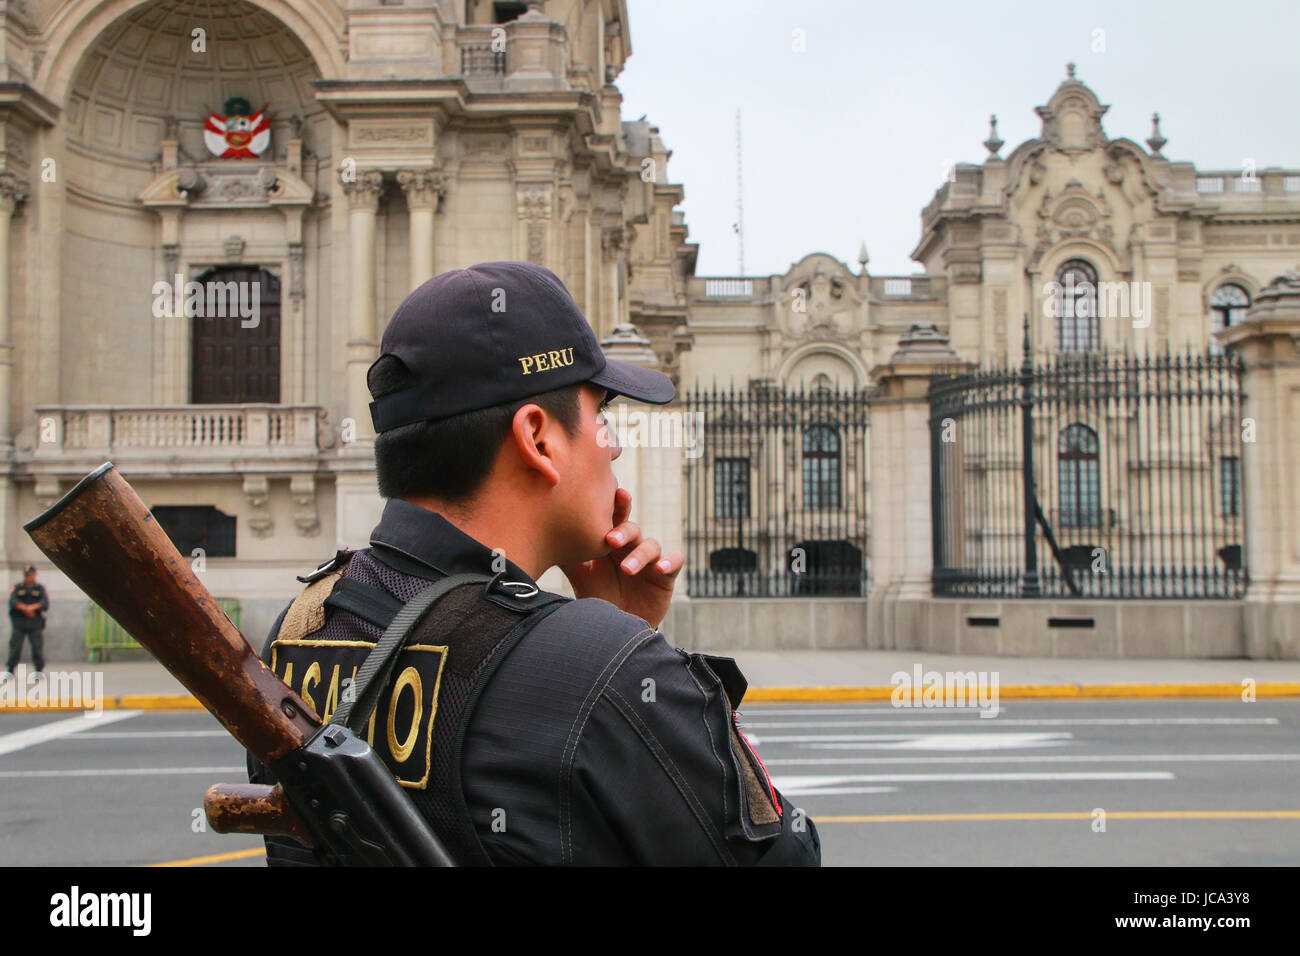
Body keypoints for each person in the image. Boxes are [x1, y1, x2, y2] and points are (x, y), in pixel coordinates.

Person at [247, 261, 820, 866]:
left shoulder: (302, 625)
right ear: (539, 439)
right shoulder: (599, 666)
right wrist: (625, 656)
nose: (616, 444)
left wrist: (610, 639)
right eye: (600, 417)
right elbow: (784, 856)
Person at [6, 564, 48, 679]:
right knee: (15, 647)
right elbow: (12, 601)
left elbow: (45, 603)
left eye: (31, 575)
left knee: (37, 647)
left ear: (35, 575)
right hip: (19, 623)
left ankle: (39, 671)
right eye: (27, 575)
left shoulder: (39, 588)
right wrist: (24, 608)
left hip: (34, 623)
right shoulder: (18, 587)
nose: (29, 577)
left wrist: (32, 608)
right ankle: (10, 670)